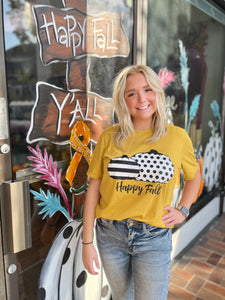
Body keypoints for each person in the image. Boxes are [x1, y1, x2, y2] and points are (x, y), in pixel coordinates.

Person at [82, 64, 201, 300]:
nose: (141, 99)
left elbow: (194, 176)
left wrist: (184, 210)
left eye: (147, 90)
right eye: (131, 93)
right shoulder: (109, 137)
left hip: (154, 237)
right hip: (110, 235)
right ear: (123, 100)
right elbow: (93, 189)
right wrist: (87, 243)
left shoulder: (177, 137)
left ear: (157, 93)